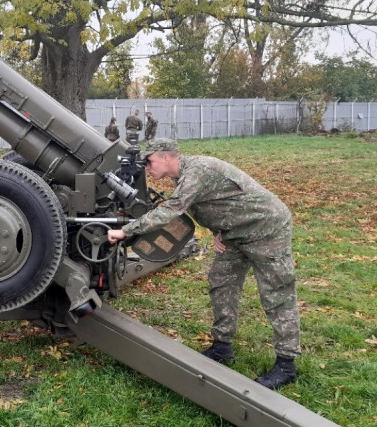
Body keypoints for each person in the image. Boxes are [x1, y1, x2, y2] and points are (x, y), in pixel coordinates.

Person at [106, 139, 300, 390]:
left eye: (150, 161)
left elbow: (171, 211)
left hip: (266, 229)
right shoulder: (182, 176)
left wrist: (125, 231)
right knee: (221, 283)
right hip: (234, 233)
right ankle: (222, 347)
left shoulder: (197, 171)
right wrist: (218, 231)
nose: (147, 168)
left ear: (166, 157)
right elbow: (218, 202)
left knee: (277, 294)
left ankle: (286, 364)